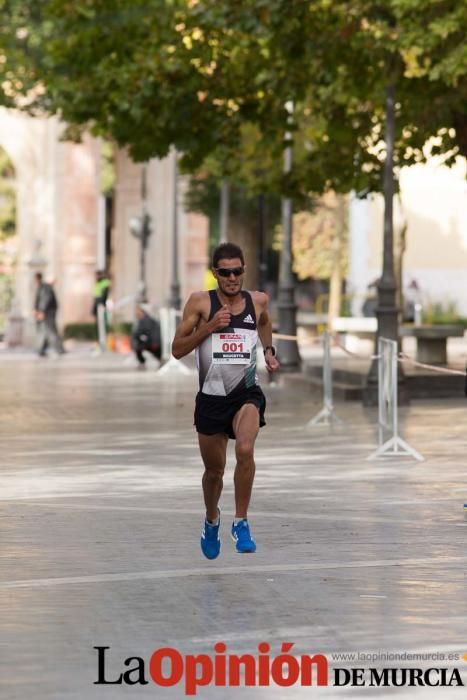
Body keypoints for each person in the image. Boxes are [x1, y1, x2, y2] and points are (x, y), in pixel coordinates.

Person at [172, 242, 280, 560]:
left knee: (245, 448)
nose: (232, 278)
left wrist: (269, 351)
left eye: (237, 271)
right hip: (211, 397)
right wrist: (209, 327)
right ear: (215, 274)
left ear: (244, 271)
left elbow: (264, 323)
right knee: (214, 473)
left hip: (246, 392)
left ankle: (241, 522)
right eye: (225, 272)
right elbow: (177, 350)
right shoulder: (200, 303)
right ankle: (211, 520)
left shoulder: (257, 301)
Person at [33, 272, 65, 357]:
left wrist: (41, 311)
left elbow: (45, 300)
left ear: (37, 278)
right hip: (47, 312)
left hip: (48, 313)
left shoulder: (45, 287)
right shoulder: (42, 287)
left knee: (51, 330)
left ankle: (59, 349)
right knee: (46, 330)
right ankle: (42, 350)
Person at [132, 304, 161, 369]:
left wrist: (137, 335)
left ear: (142, 312)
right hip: (149, 341)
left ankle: (143, 362)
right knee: (138, 348)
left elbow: (143, 331)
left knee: (139, 348)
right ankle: (143, 362)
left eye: (138, 311)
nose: (136, 313)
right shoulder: (142, 320)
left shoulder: (147, 320)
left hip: (152, 342)